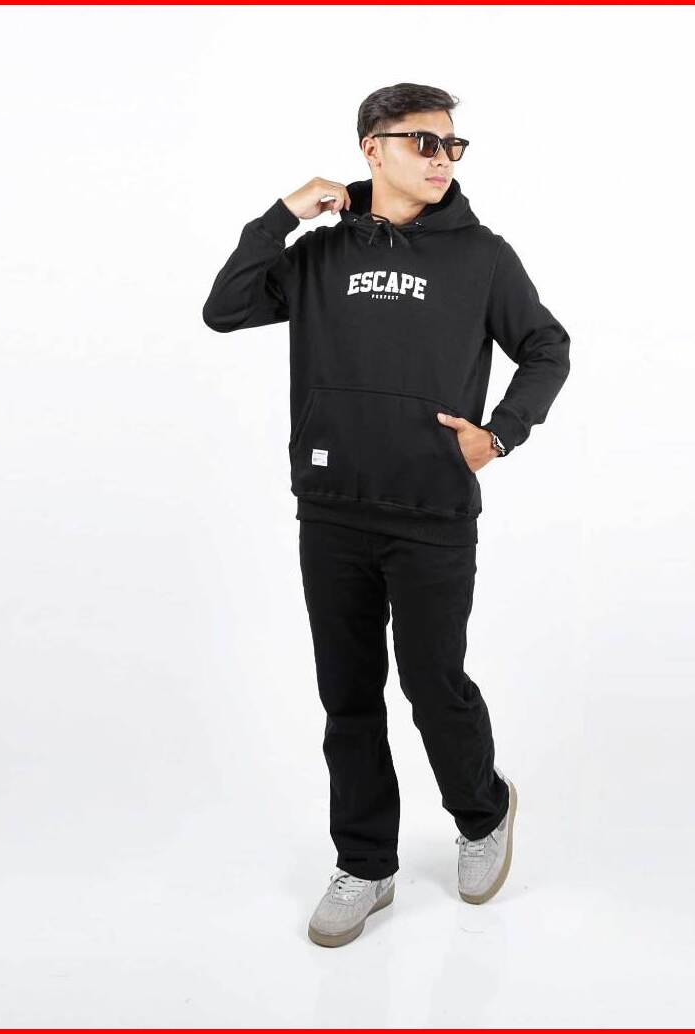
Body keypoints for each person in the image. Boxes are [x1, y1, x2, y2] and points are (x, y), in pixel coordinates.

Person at [202, 82, 570, 948]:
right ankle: (365, 864)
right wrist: (281, 216)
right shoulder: (321, 252)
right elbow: (224, 310)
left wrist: (500, 434)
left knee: (434, 686)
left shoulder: (482, 256)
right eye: (422, 142)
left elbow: (546, 348)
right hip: (332, 508)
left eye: (452, 145)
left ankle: (483, 812)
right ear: (372, 149)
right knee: (348, 697)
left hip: (432, 509)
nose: (443, 159)